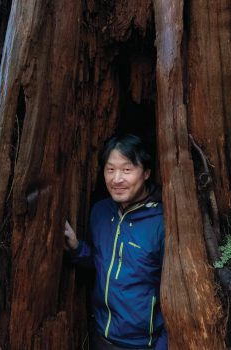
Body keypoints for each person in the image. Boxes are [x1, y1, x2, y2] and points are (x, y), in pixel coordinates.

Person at [65, 134, 167, 350]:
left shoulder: (163, 222)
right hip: (100, 336)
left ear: (147, 172)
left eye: (127, 170)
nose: (117, 179)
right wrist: (76, 247)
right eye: (110, 170)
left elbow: (179, 294)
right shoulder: (100, 212)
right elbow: (100, 263)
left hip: (143, 344)